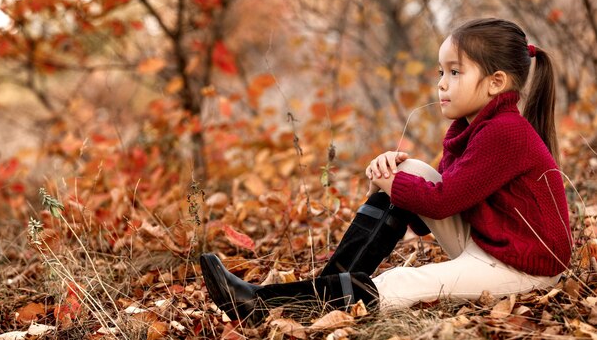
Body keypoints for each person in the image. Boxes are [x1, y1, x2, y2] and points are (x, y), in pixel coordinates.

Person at [200, 18, 572, 325]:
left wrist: (394, 185)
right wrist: (392, 176)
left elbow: (442, 204)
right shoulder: (471, 126)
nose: (441, 83)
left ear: (496, 82)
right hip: (492, 243)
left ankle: (260, 305)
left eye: (455, 72)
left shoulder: (505, 132)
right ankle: (323, 286)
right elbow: (428, 213)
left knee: (399, 282)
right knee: (409, 167)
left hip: (523, 266)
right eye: (441, 71)